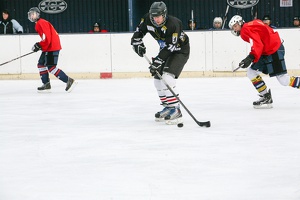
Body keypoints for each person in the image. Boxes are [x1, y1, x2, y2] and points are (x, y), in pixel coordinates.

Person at [131, 1, 190, 125]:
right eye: (154, 17)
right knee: (158, 81)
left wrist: (158, 60)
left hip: (179, 51)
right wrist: (136, 42)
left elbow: (171, 46)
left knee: (167, 78)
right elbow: (138, 32)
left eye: (158, 16)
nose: (156, 19)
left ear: (164, 14)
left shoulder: (174, 24)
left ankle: (176, 109)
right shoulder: (147, 19)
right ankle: (168, 107)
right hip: (165, 50)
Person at [228, 15, 300, 109]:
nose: (235, 29)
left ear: (240, 22)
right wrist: (252, 57)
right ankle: (266, 97)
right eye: (233, 27)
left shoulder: (245, 30)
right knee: (251, 72)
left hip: (274, 50)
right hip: (268, 51)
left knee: (283, 80)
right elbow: (261, 38)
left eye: (235, 26)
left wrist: (250, 57)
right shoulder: (252, 23)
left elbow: (258, 44)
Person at [27, 7, 77, 93]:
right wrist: (40, 45)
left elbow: (47, 38)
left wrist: (39, 45)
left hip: (51, 47)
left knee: (51, 67)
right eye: (30, 14)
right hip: (48, 47)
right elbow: (46, 39)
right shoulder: (39, 23)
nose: (32, 16)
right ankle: (46, 84)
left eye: (33, 14)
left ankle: (68, 80)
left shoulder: (41, 23)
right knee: (41, 64)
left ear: (38, 14)